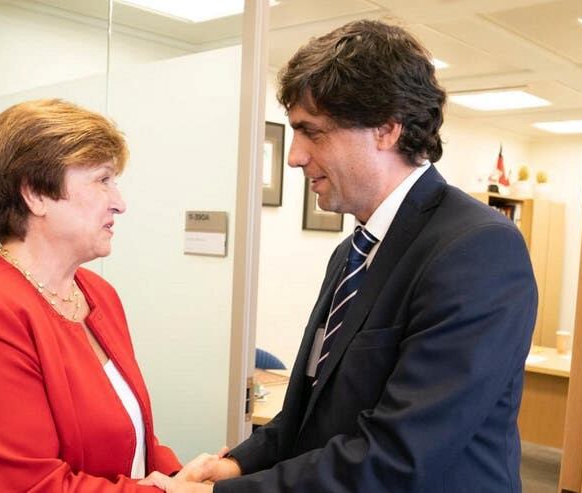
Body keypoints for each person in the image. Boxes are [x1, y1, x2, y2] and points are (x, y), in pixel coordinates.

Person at [141, 19, 537, 493]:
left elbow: (400, 455)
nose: (294, 156)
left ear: (387, 129)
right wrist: (237, 464)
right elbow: (309, 411)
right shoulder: (352, 252)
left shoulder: (477, 249)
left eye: (313, 133)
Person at [0, 99, 180, 492]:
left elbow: (132, 437)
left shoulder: (98, 295)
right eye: (102, 180)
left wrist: (179, 477)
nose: (120, 202)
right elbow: (28, 486)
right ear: (35, 194)